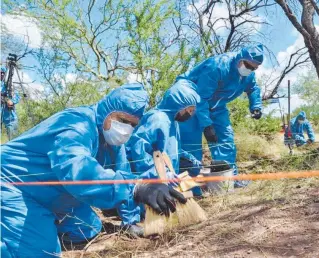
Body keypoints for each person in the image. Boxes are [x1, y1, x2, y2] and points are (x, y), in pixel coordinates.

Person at [1, 83, 187, 257]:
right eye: (122, 120)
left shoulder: (113, 142)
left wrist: (129, 221)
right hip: (13, 184)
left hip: (55, 191)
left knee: (87, 229)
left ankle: (39, 223)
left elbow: (121, 175)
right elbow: (78, 172)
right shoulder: (76, 125)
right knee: (42, 251)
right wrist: (136, 188)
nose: (126, 129)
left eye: (133, 125)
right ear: (107, 110)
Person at [175, 44, 264, 187]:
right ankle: (189, 185)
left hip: (217, 106)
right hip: (191, 102)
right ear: (240, 58)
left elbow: (253, 88)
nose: (249, 69)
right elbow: (201, 98)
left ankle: (228, 181)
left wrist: (256, 106)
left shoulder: (248, 74)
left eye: (254, 68)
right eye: (247, 65)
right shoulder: (217, 66)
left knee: (225, 140)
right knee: (190, 143)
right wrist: (206, 125)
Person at [127, 80, 202, 181]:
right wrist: (157, 172)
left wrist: (192, 162)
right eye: (190, 110)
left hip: (164, 181)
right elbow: (140, 148)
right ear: (178, 103)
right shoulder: (158, 119)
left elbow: (173, 151)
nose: (191, 114)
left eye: (193, 111)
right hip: (149, 181)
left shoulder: (173, 122)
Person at [1, 67, 20, 140]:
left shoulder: (9, 84)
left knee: (13, 134)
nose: (2, 74)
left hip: (8, 112)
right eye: (0, 72)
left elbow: (17, 96)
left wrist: (12, 101)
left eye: (3, 73)